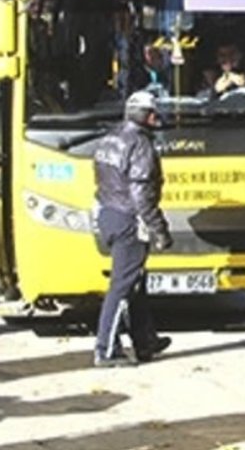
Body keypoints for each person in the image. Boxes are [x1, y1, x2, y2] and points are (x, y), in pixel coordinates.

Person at [91, 91, 173, 367]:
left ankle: (145, 339)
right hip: (128, 220)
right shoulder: (140, 145)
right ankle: (106, 348)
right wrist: (158, 229)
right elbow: (141, 195)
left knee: (135, 282)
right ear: (143, 116)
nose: (156, 118)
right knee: (123, 286)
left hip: (108, 213)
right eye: (152, 113)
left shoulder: (110, 138)